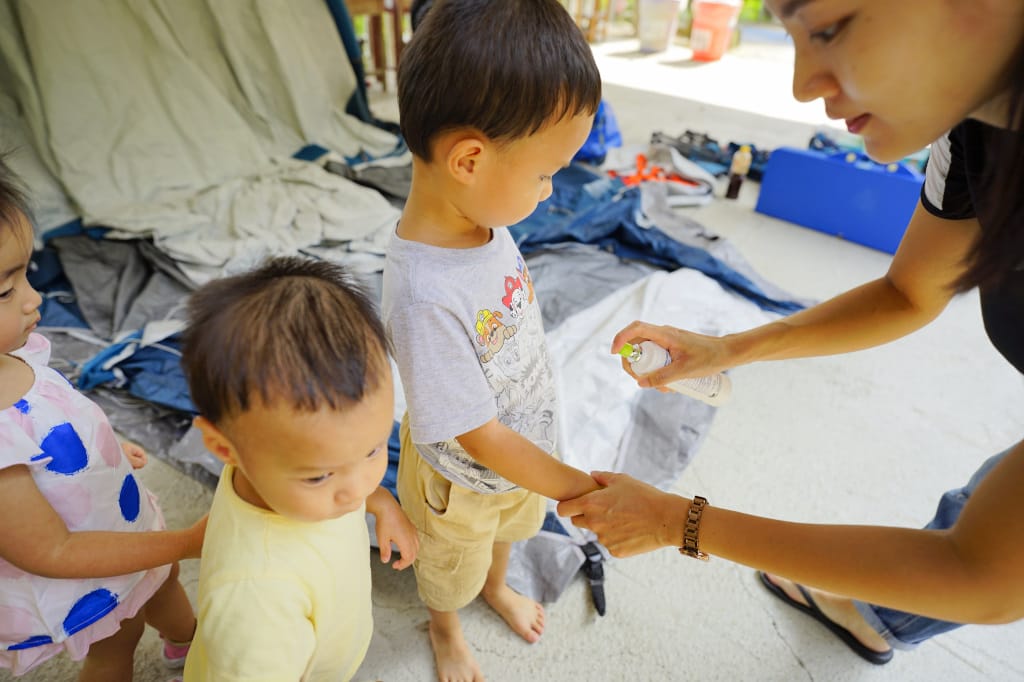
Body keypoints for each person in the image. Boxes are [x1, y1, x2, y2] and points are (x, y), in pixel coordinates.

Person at [558, 0, 1024, 667]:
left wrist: (675, 522)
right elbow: (910, 291)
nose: (803, 83)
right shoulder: (972, 126)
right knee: (989, 498)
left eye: (830, 29)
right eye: (790, 36)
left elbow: (986, 577)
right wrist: (729, 349)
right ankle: (873, 612)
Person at [381, 1, 603, 679]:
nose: (551, 188)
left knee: (514, 530)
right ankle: (446, 628)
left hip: (525, 445)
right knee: (450, 566)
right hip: (462, 479)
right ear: (470, 161)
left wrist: (547, 471)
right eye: (543, 173)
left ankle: (499, 585)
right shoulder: (423, 295)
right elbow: (477, 435)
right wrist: (578, 487)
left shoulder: (478, 218)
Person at [0, 156, 204, 681]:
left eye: (27, 275)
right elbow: (51, 549)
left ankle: (188, 642)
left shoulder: (15, 355)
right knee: (120, 636)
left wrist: (105, 443)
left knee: (162, 576)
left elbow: (56, 413)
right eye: (5, 290)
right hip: (85, 571)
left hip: (120, 523)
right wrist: (186, 539)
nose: (34, 298)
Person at [179, 256, 419, 681]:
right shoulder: (255, 599)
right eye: (319, 476)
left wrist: (382, 505)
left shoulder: (267, 468)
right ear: (222, 447)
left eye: (374, 449)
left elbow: (353, 483)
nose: (356, 488)